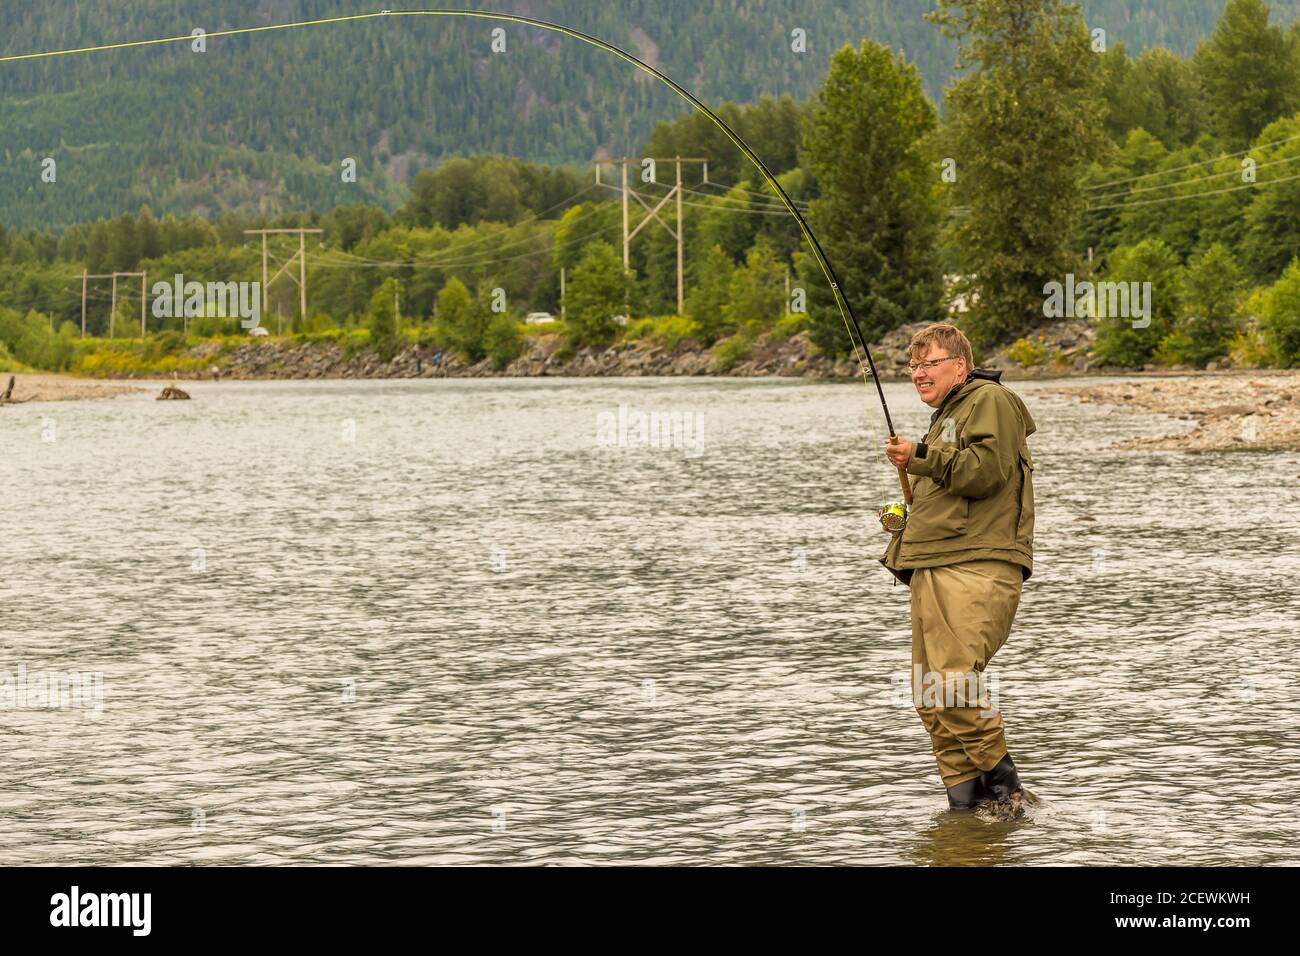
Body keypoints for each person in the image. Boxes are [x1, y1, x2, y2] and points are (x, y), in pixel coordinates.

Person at [879, 323, 1036, 815]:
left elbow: (985, 472)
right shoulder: (948, 414)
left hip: (975, 565)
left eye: (930, 363)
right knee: (930, 698)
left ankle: (1009, 797)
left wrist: (920, 456)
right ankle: (966, 816)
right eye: (912, 365)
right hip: (933, 563)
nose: (917, 373)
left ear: (960, 366)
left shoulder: (989, 398)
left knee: (951, 684)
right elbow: (953, 482)